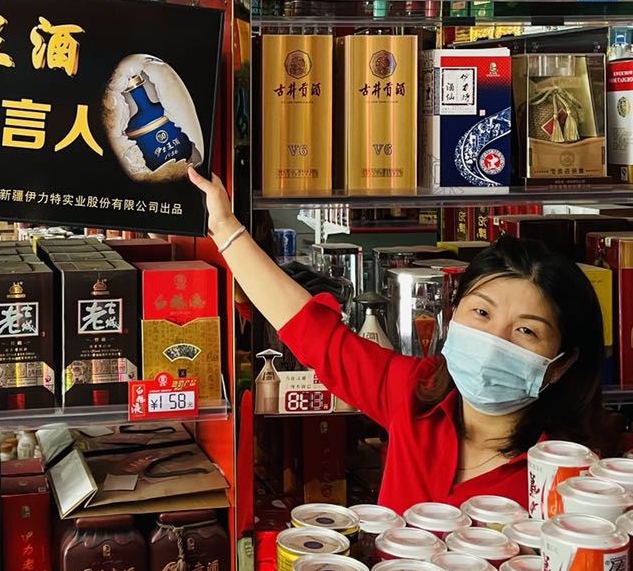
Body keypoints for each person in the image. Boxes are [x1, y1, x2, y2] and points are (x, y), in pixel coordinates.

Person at [188, 168, 617, 512]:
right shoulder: (414, 395)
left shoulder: (577, 477)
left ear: (561, 363)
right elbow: (311, 331)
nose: (494, 340)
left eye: (525, 330)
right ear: (452, 315)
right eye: (482, 313)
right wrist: (224, 227)